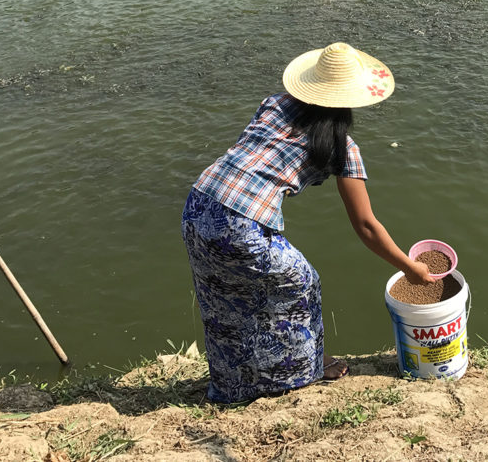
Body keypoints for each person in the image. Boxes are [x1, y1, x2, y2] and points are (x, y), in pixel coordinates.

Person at [182, 41, 435, 404]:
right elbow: (366, 225)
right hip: (241, 224)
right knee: (301, 286)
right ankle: (304, 372)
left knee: (223, 299)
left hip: (198, 204)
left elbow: (253, 161)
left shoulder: (274, 104)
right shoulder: (343, 149)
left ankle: (231, 387)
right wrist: (410, 267)